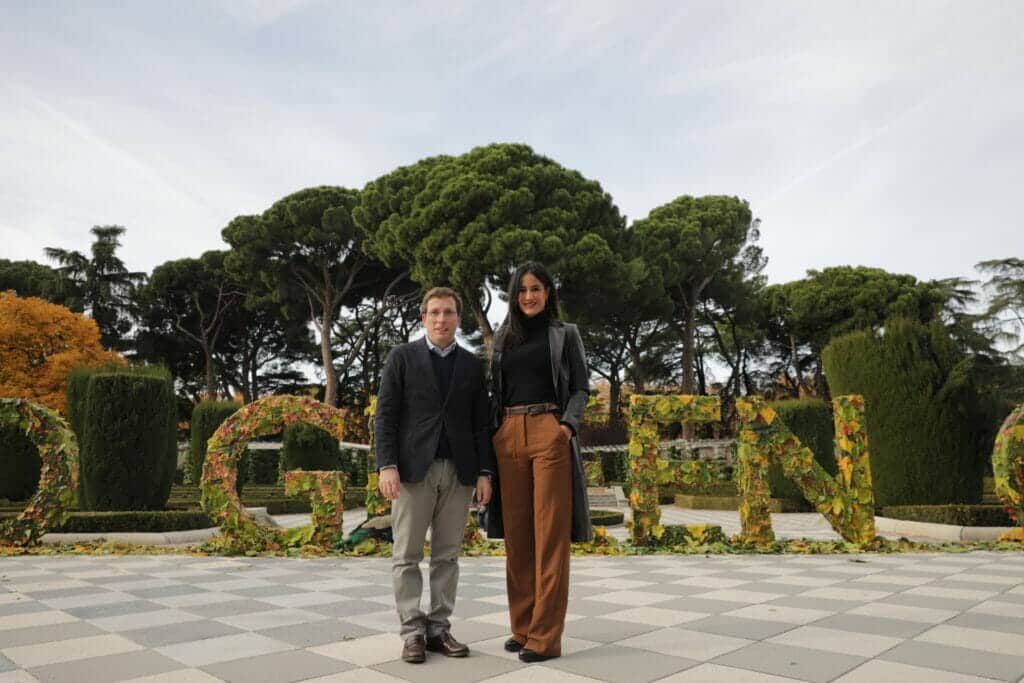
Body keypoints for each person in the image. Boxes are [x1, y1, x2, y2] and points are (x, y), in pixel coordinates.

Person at [375, 286, 495, 664]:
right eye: (435, 312)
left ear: (458, 319)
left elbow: (481, 424)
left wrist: (484, 472)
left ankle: (439, 628)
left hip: (459, 472)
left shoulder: (473, 365)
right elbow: (386, 415)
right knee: (407, 555)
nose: (442, 319)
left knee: (448, 556)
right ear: (423, 317)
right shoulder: (402, 357)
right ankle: (412, 631)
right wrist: (387, 465)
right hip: (413, 472)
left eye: (449, 313)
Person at [485, 261, 592, 663]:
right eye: (522, 290)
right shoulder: (501, 337)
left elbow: (581, 387)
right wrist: (494, 434)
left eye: (536, 288)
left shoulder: (566, 335)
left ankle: (545, 637)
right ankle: (523, 626)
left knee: (549, 537)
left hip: (549, 430)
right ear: (513, 296)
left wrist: (565, 427)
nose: (529, 296)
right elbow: (495, 392)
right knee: (518, 538)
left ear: (548, 292)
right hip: (508, 435)